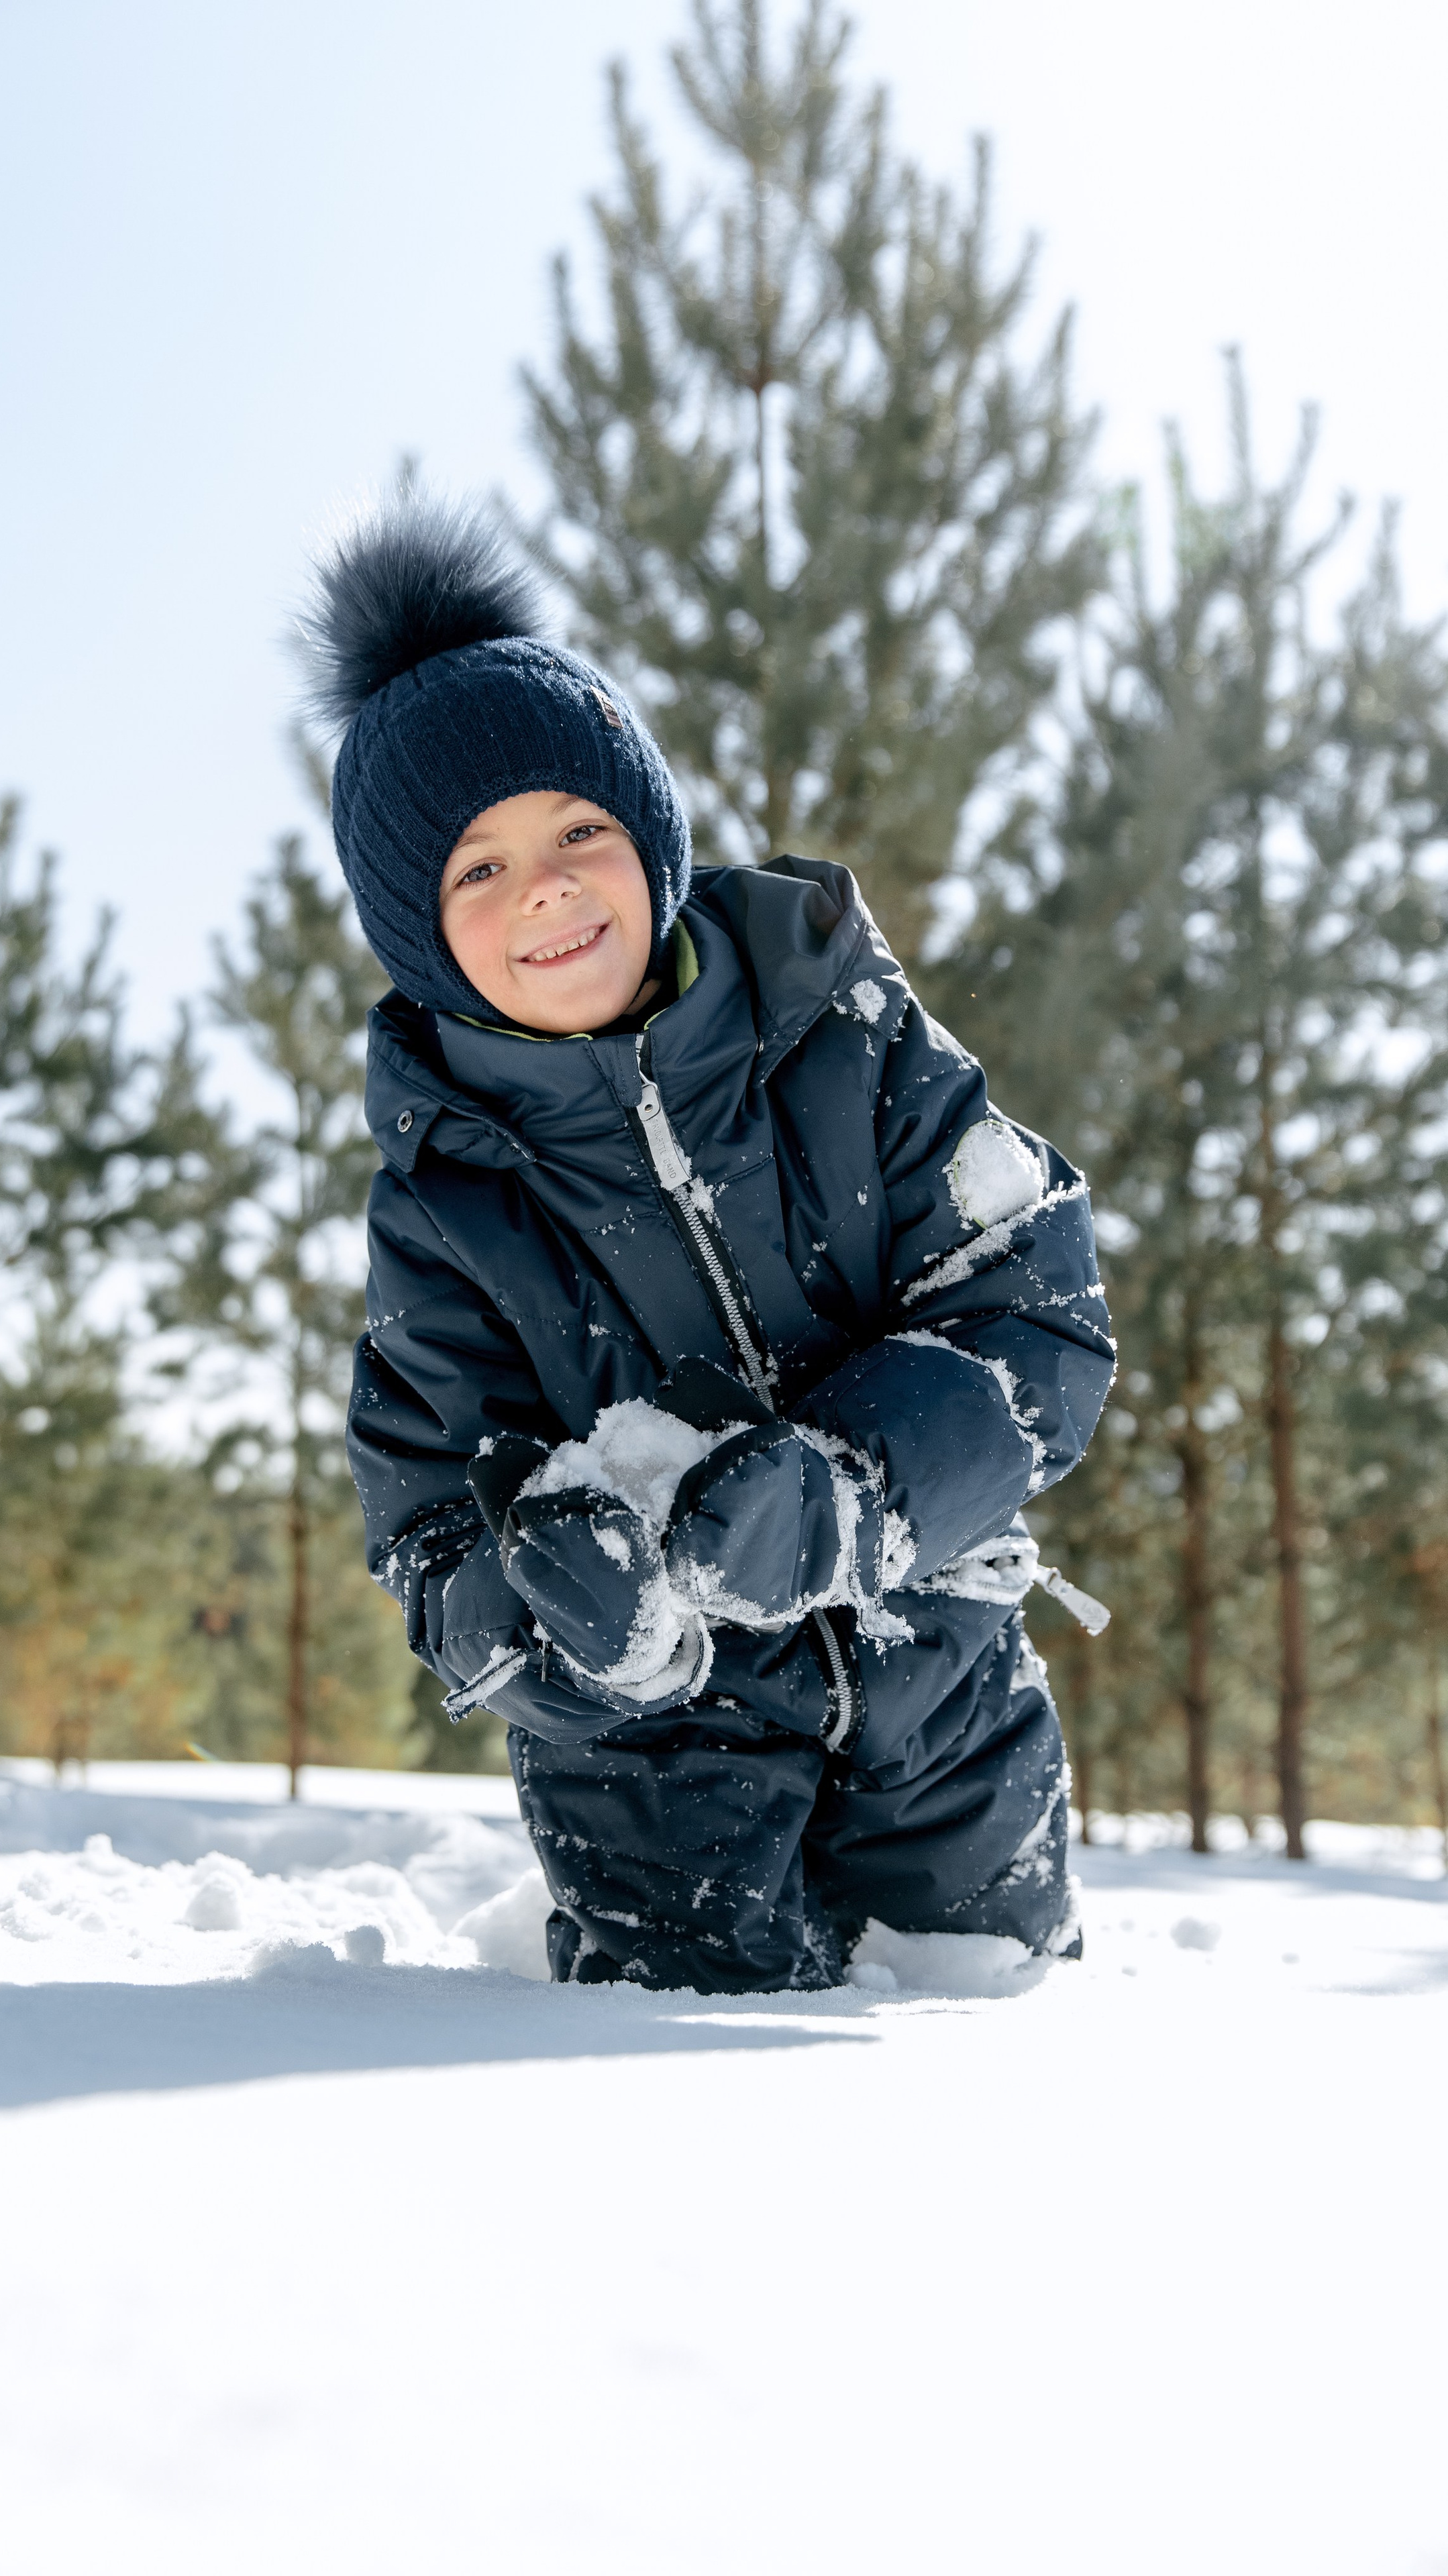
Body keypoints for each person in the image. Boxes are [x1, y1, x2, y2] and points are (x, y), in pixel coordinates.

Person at [309, 494, 1115, 1992]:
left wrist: (852, 1485)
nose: (546, 885)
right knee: (678, 2093)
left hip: (939, 1684)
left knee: (990, 2046)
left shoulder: (840, 1029)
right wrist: (562, 1618)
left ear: (652, 837)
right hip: (652, 1769)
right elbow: (429, 1531)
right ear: (417, 935)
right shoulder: (444, 1204)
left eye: (580, 829)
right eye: (475, 869)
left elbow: (1035, 1308)